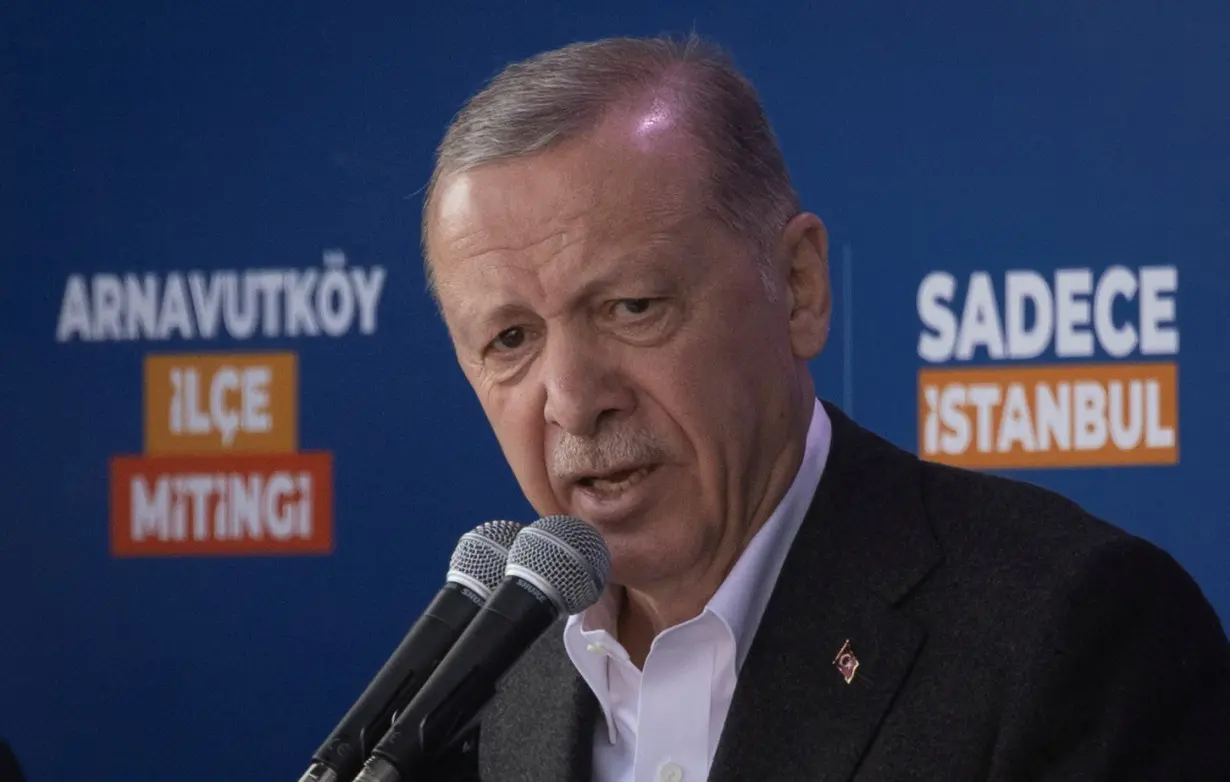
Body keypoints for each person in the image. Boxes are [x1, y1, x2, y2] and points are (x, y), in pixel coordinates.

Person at [420, 34, 1230, 781]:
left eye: (632, 307)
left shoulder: (1068, 631)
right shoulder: (481, 691)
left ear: (799, 287)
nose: (573, 400)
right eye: (511, 339)